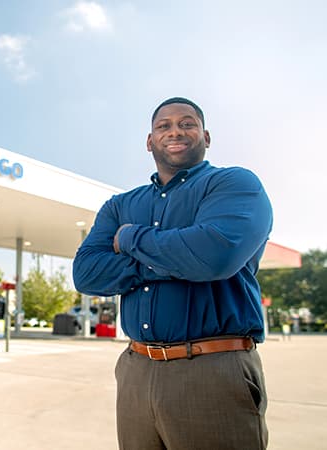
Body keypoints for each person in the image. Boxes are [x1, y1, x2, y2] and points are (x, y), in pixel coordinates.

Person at [73, 97, 272, 449]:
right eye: (163, 126)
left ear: (206, 136)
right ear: (149, 141)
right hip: (136, 370)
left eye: (187, 123)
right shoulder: (120, 205)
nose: (175, 131)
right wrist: (177, 256)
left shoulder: (234, 184)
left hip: (212, 370)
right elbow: (87, 274)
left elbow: (214, 257)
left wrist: (131, 238)